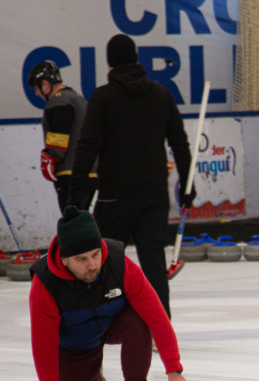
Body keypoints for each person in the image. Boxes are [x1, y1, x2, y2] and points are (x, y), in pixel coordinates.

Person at [24, 206, 190, 381]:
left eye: (95, 254)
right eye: (81, 259)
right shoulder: (46, 284)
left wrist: (174, 370)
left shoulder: (119, 264)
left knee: (139, 320)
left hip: (113, 324)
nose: (92, 265)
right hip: (76, 344)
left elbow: (157, 317)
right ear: (64, 260)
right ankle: (94, 378)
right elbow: (43, 346)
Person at [69, 34, 193, 320]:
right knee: (153, 261)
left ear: (110, 64)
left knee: (106, 263)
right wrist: (187, 185)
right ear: (137, 59)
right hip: (153, 195)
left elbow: (87, 147)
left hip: (115, 196)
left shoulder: (102, 97)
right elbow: (180, 143)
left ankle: (102, 324)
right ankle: (160, 327)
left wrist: (75, 194)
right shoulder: (161, 94)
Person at [27, 61, 97, 211]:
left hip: (70, 175)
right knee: (81, 220)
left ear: (45, 84)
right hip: (90, 174)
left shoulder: (58, 101)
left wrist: (49, 156)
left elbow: (58, 143)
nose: (36, 93)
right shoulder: (78, 99)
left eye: (36, 88)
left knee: (72, 222)